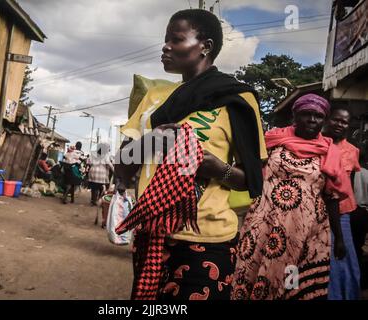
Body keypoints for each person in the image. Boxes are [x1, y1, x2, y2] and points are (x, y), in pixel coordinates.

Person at [115, 9, 266, 300]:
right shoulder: (154, 99)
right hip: (152, 236)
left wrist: (217, 169)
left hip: (207, 241)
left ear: (205, 46)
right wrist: (150, 142)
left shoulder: (236, 99)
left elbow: (253, 180)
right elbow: (121, 168)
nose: (166, 46)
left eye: (176, 39)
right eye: (165, 39)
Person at [231, 94, 351, 300]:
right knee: (251, 271)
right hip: (264, 225)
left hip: (304, 233)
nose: (312, 120)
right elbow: (249, 172)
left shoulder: (329, 152)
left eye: (318, 116)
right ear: (295, 115)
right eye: (306, 114)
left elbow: (332, 197)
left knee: (291, 279)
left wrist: (339, 238)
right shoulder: (272, 140)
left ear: (324, 120)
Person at [322, 107, 362, 300]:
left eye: (344, 122)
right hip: (317, 211)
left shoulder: (353, 151)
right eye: (336, 120)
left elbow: (349, 182)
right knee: (322, 259)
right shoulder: (318, 144)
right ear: (328, 120)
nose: (340, 124)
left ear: (348, 126)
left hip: (343, 213)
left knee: (345, 258)